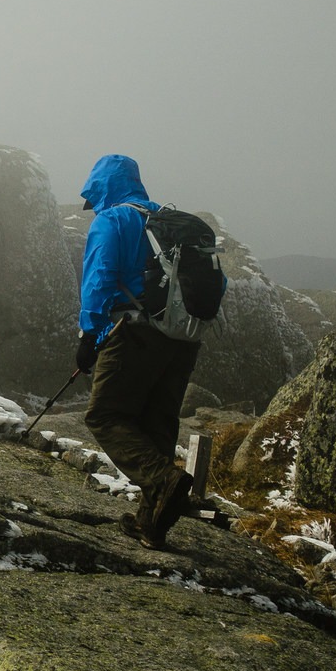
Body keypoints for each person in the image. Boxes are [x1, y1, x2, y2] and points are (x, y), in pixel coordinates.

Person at [76, 153, 207, 549]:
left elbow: (100, 278)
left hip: (135, 334)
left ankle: (162, 481)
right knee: (158, 423)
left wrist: (89, 336)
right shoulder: (166, 222)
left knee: (105, 415)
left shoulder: (114, 220)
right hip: (182, 340)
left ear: (102, 187)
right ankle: (150, 523)